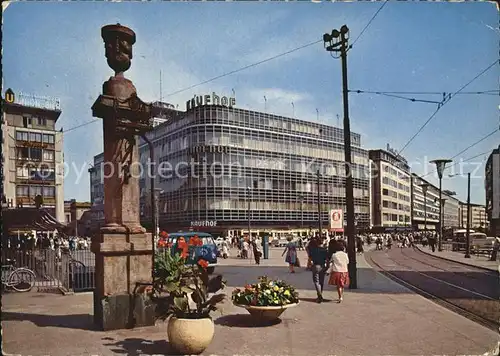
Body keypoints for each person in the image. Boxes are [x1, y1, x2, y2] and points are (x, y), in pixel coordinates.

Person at [309, 237, 329, 303]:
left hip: (315, 266)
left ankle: (319, 295)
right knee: (321, 281)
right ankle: (320, 295)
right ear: (322, 242)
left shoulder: (313, 250)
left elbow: (310, 258)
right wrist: (327, 267)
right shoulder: (324, 250)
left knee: (316, 281)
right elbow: (327, 259)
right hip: (322, 266)